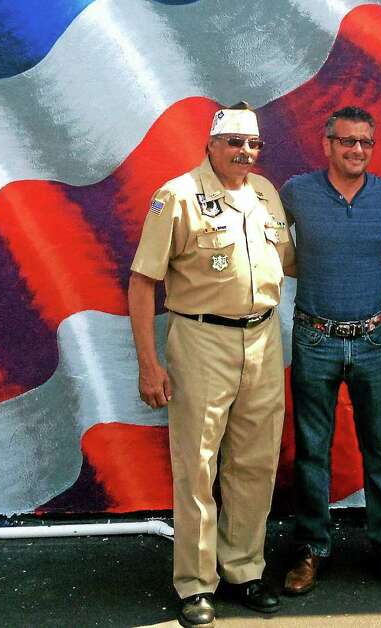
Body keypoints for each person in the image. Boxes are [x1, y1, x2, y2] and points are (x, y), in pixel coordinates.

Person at [128, 103, 294, 627]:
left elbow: (289, 259)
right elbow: (141, 282)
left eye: (253, 144)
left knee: (255, 460)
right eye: (234, 143)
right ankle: (196, 584)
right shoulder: (175, 197)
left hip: (264, 339)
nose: (245, 152)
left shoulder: (265, 192)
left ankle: (243, 568)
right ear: (211, 144)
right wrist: (149, 364)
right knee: (197, 465)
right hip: (201, 339)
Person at [278, 106, 381, 595]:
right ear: (327, 143)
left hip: (375, 339)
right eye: (347, 141)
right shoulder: (296, 192)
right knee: (312, 451)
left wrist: (372, 288)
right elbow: (264, 233)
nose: (356, 150)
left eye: (365, 143)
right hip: (315, 337)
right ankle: (311, 549)